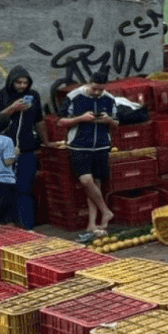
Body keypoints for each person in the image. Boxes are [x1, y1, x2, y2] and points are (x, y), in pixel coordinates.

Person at [0, 65, 48, 229]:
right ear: (11, 82)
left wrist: (46, 141)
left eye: (25, 83)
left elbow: (39, 120)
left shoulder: (33, 96)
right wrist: (12, 109)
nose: (22, 86)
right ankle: (6, 227)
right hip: (0, 154)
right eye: (18, 82)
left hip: (26, 150)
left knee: (24, 189)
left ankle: (27, 227)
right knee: (3, 191)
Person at [58, 72, 117, 237]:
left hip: (101, 145)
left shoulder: (109, 99)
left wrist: (109, 120)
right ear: (88, 83)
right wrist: (81, 119)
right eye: (94, 89)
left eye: (101, 90)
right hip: (79, 145)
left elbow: (116, 123)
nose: (97, 92)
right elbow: (61, 121)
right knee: (86, 180)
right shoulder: (74, 96)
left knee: (96, 184)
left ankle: (92, 224)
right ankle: (106, 211)